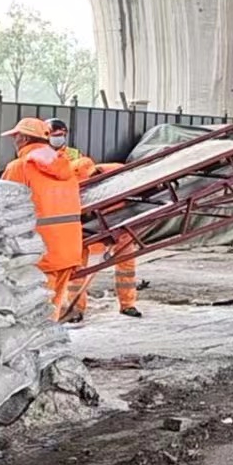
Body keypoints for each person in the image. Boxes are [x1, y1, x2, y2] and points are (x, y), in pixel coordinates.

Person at [45, 118, 142, 322]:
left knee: (125, 264)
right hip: (83, 220)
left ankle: (127, 304)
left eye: (60, 134)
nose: (58, 138)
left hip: (110, 217)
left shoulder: (77, 159)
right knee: (78, 268)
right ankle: (76, 308)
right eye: (54, 134)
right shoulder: (44, 158)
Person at [0, 117, 83, 321]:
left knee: (34, 310)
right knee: (51, 308)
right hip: (69, 248)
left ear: (23, 138)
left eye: (16, 137)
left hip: (41, 251)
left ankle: (37, 348)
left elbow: (3, 206)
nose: (14, 141)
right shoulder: (66, 167)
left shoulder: (19, 167)